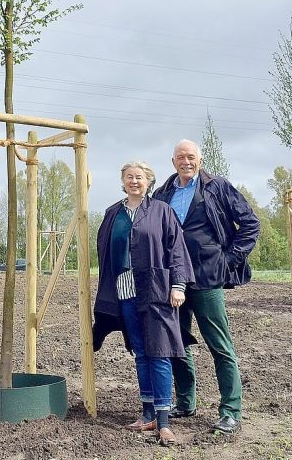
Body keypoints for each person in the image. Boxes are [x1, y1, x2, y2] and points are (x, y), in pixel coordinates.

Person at [151, 139, 260, 436]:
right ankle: (186, 403)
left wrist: (228, 259)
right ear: (172, 162)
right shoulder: (163, 193)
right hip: (174, 281)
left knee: (219, 345)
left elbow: (250, 224)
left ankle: (231, 411)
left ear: (199, 159)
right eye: (180, 157)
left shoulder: (218, 187)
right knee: (179, 343)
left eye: (191, 157)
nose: (186, 162)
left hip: (208, 278)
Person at [93, 161, 195, 446]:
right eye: (129, 177)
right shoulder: (113, 213)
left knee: (159, 352)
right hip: (124, 290)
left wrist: (178, 285)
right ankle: (147, 413)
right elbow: (104, 252)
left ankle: (163, 421)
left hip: (156, 290)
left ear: (148, 181)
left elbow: (176, 249)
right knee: (140, 352)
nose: (134, 182)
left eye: (139, 177)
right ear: (123, 181)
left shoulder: (162, 211)